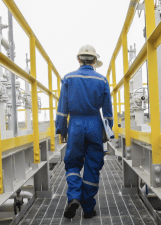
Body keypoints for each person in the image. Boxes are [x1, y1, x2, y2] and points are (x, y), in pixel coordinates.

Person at [55, 45, 113, 219]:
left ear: (78, 60)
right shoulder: (102, 80)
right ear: (95, 61)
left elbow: (62, 109)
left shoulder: (68, 78)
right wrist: (107, 131)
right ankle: (88, 208)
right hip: (94, 123)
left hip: (76, 125)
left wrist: (62, 130)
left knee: (72, 162)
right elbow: (108, 111)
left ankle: (73, 197)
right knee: (93, 164)